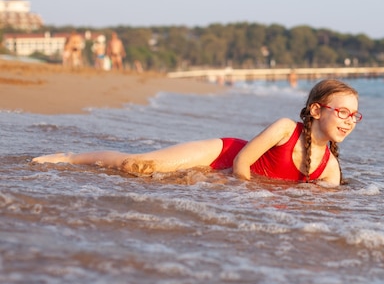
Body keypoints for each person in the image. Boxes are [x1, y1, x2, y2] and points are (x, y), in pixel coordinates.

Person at [32, 79, 362, 187]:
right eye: (342, 112)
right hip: (222, 155)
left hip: (227, 179)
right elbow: (242, 164)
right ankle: (71, 157)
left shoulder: (329, 169)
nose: (348, 121)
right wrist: (241, 196)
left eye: (354, 116)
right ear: (316, 111)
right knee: (138, 167)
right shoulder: (284, 128)